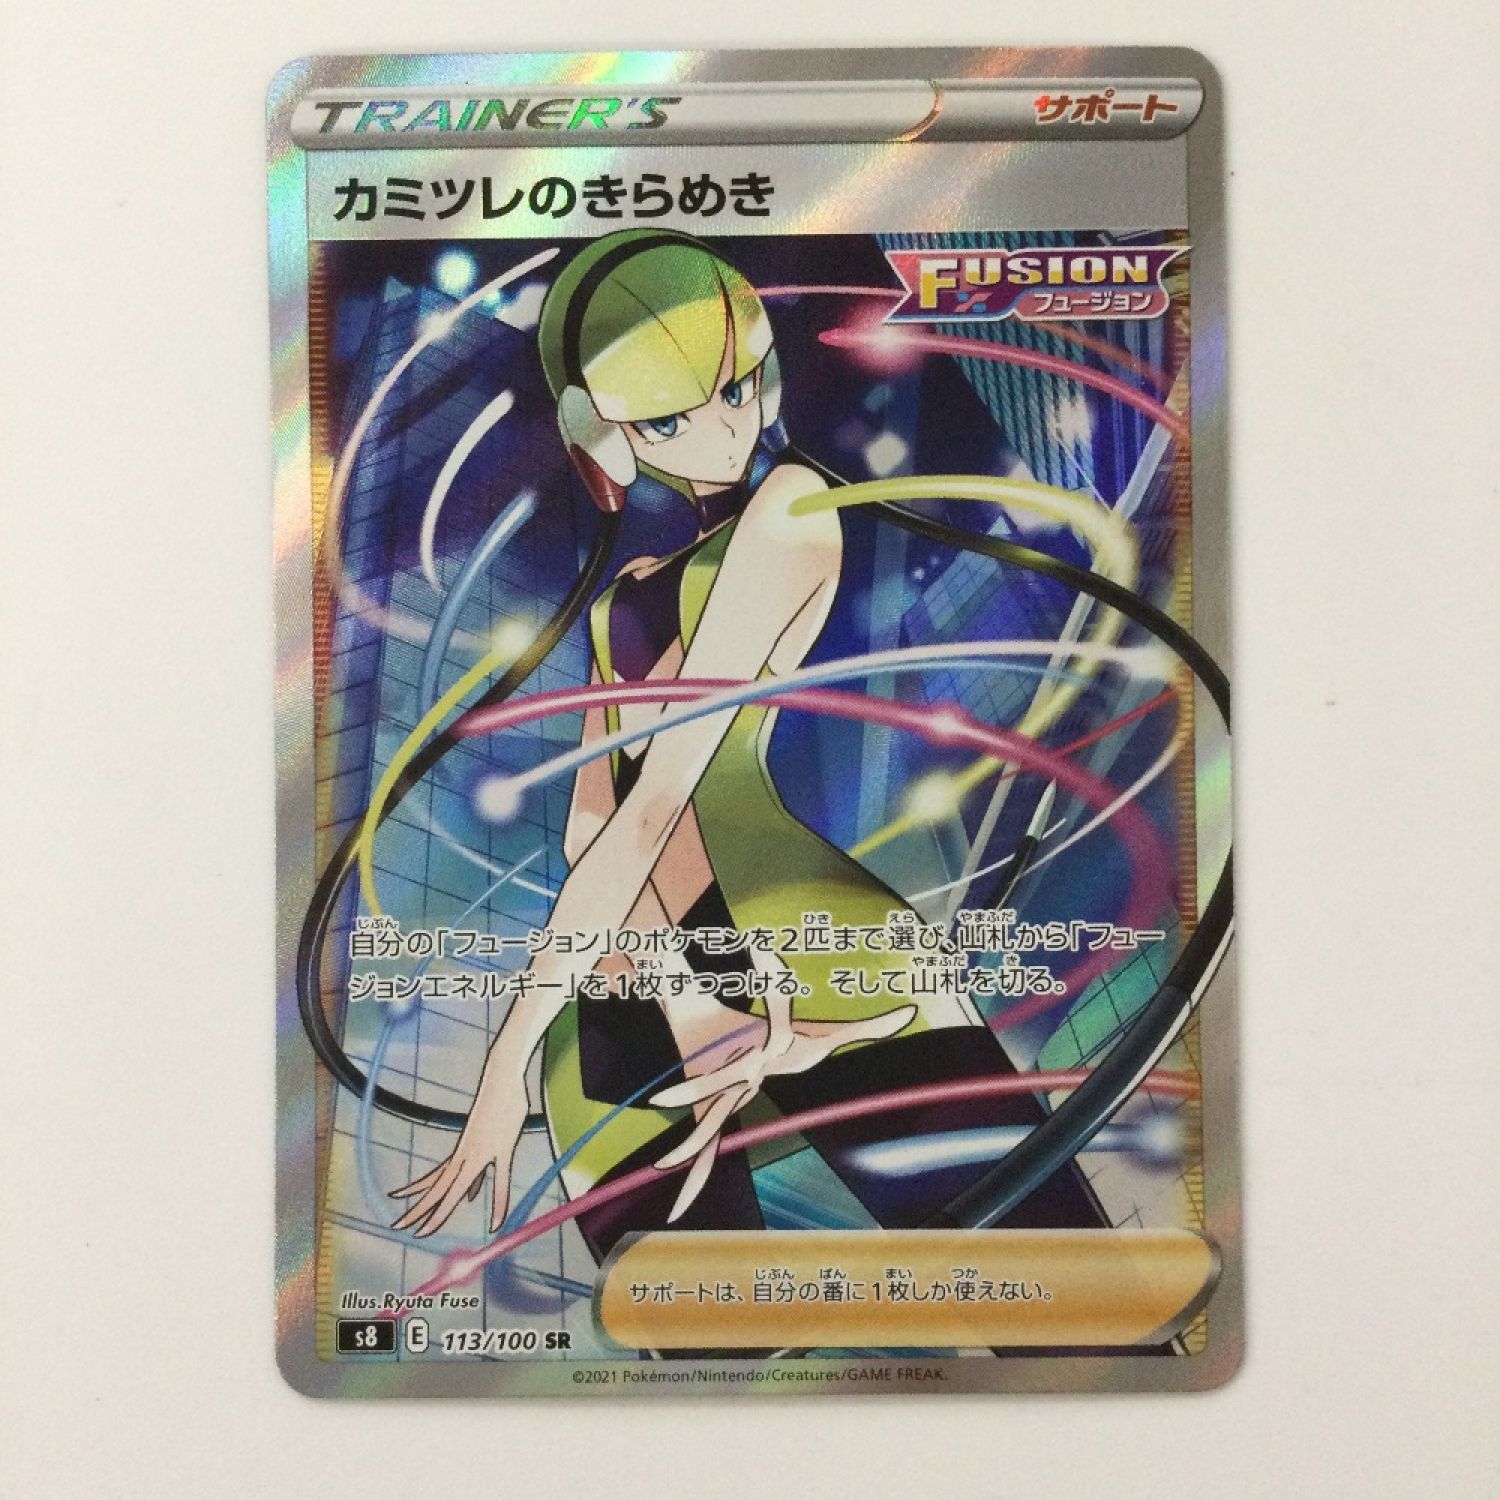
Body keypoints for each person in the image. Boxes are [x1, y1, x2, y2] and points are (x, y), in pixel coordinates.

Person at [392, 231, 1104, 1257]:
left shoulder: (789, 509)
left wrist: (507, 1061)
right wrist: (676, 999)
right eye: (669, 418)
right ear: (603, 436)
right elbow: (594, 818)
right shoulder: (624, 595)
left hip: (805, 939)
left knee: (1043, 1275)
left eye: (734, 391)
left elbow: (658, 801)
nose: (721, 431)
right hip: (631, 974)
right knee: (682, 1316)